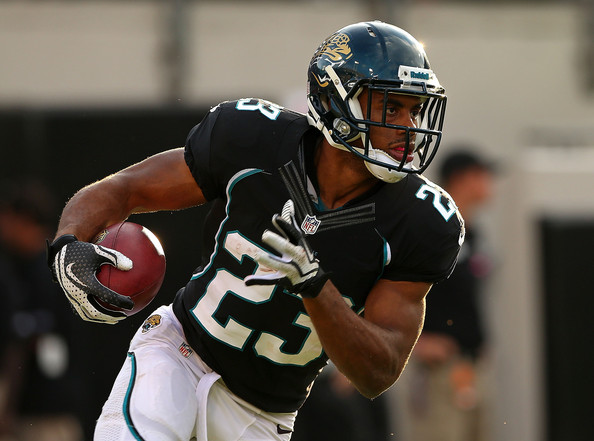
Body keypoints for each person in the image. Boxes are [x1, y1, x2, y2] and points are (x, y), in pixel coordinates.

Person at [46, 21, 464, 441]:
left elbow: (378, 373)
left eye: (415, 110)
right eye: (391, 109)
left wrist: (314, 285)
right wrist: (68, 244)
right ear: (334, 100)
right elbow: (125, 188)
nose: (408, 128)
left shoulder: (422, 220)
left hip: (264, 415)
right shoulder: (256, 139)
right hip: (179, 354)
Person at [400, 149, 496, 441]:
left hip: (471, 366)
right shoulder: (431, 228)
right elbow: (394, 285)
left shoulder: (474, 234)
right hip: (438, 369)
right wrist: (414, 342)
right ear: (461, 178)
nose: (490, 182)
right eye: (481, 174)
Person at [0, 178, 83, 441]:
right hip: (23, 413)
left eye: (7, 217)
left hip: (50, 414)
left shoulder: (55, 271)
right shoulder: (16, 268)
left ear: (24, 219)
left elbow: (29, 342)